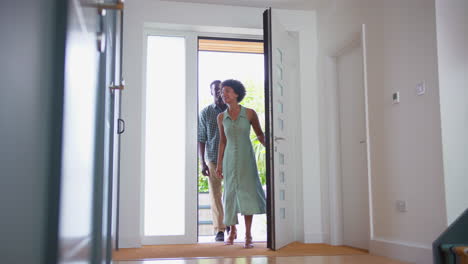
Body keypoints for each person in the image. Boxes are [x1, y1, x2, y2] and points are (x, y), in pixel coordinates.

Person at [216, 79, 266, 248]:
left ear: (237, 93)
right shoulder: (221, 117)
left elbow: (260, 134)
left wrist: (273, 147)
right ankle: (232, 231)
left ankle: (248, 234)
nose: (224, 94)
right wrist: (219, 165)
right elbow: (222, 141)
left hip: (246, 158)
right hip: (229, 158)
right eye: (222, 91)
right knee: (229, 195)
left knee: (247, 193)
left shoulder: (250, 113)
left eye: (227, 91)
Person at [198, 80, 229, 242]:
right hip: (212, 158)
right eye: (215, 90)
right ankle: (219, 229)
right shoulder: (205, 113)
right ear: (211, 92)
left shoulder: (233, 111)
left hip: (231, 157)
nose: (218, 92)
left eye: (221, 89)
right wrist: (202, 163)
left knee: (232, 192)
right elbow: (201, 138)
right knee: (215, 194)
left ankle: (229, 221)